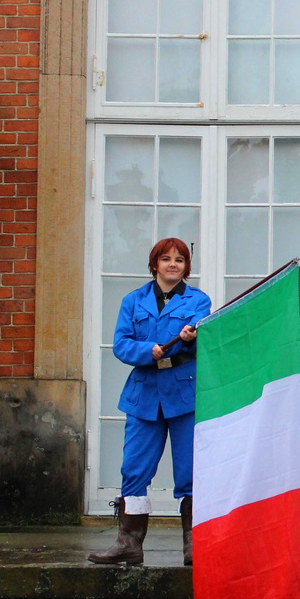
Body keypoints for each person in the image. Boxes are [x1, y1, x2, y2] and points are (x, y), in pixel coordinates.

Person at [89, 238, 210, 567]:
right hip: (144, 392)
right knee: (134, 469)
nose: (173, 264)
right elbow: (121, 344)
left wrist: (190, 339)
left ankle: (194, 546)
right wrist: (148, 351)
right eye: (166, 259)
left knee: (189, 471)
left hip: (184, 392)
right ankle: (128, 544)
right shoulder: (133, 301)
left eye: (180, 260)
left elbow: (207, 340)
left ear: (186, 267)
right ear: (154, 264)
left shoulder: (199, 301)